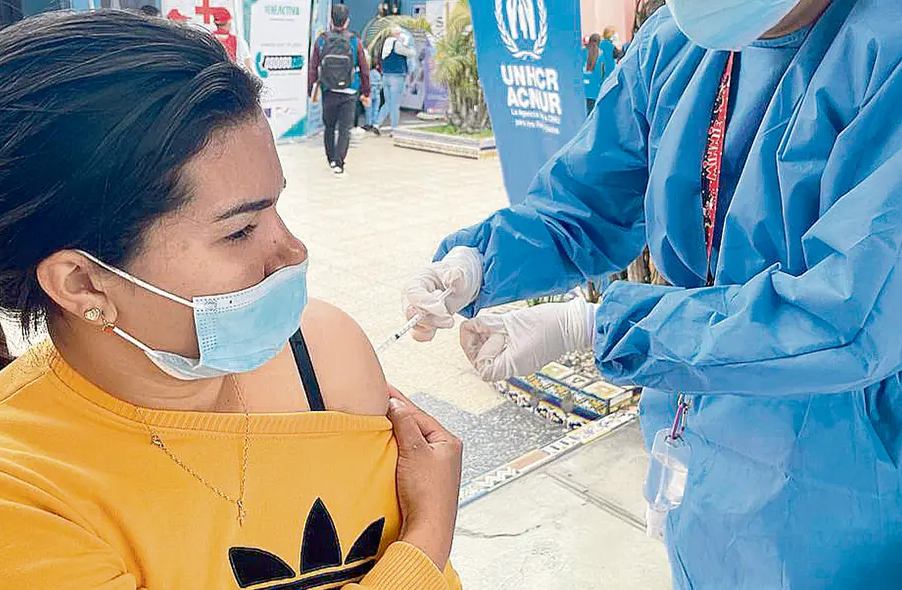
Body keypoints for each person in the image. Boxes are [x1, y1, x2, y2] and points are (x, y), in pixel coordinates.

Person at [0, 11, 463, 589]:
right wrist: (424, 541)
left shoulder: (323, 355)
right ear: (82, 283)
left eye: (276, 205)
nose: (293, 251)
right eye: (240, 231)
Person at [404, 0, 902, 588]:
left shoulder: (883, 54)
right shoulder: (677, 45)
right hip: (697, 437)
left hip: (845, 473)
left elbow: (849, 314)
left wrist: (596, 328)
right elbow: (586, 202)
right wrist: (481, 262)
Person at [308, 4, 371, 175]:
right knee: (344, 129)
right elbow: (364, 69)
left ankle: (331, 159)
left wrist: (311, 88)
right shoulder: (354, 41)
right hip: (350, 91)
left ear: (331, 20)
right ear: (347, 21)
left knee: (329, 127)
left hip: (328, 89)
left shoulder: (321, 40)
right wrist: (366, 92)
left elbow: (313, 66)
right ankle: (339, 163)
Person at [375, 25, 415, 134]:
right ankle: (394, 129)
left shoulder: (385, 44)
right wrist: (407, 42)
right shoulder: (397, 45)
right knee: (395, 104)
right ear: (397, 34)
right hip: (396, 77)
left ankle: (377, 124)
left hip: (386, 76)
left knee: (387, 103)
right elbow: (412, 53)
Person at [212, 7, 252, 72]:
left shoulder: (208, 40)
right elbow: (248, 67)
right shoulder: (239, 42)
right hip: (232, 78)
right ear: (229, 22)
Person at [581, 33, 609, 114]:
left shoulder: (583, 51)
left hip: (583, 88)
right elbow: (602, 74)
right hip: (595, 90)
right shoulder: (601, 54)